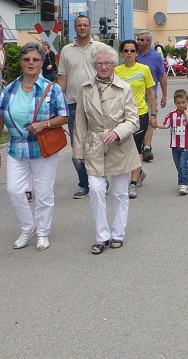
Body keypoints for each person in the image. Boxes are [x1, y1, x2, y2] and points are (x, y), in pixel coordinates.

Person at [0, 43, 68, 252]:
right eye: (27, 59)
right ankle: (28, 227)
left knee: (43, 193)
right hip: (16, 148)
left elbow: (64, 117)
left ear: (42, 63)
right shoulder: (9, 89)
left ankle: (43, 232)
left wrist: (44, 124)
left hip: (43, 149)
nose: (31, 63)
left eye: (35, 59)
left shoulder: (52, 89)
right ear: (21, 62)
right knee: (14, 190)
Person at [73, 48, 141, 253]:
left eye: (107, 63)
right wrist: (78, 153)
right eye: (99, 63)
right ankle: (102, 235)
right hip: (94, 145)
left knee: (120, 193)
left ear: (113, 65)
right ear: (94, 66)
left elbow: (133, 120)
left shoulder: (124, 88)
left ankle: (118, 233)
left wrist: (118, 132)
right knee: (95, 189)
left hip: (120, 146)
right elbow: (79, 123)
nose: (103, 67)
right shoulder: (85, 89)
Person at [57, 15, 107, 199]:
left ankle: (100, 180)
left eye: (85, 24)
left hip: (96, 103)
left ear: (90, 27)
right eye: (79, 25)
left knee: (98, 143)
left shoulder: (99, 48)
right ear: (75, 28)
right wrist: (56, 98)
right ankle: (84, 184)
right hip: (73, 104)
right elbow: (62, 77)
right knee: (77, 146)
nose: (83, 27)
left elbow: (107, 73)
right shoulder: (66, 50)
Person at [115, 39, 156, 198]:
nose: (129, 53)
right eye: (126, 51)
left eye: (132, 51)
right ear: (121, 53)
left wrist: (153, 113)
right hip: (121, 115)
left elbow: (150, 92)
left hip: (140, 113)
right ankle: (139, 172)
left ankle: (132, 184)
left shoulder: (144, 69)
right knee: (123, 148)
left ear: (137, 53)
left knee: (136, 148)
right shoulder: (116, 71)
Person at [153, 88, 188, 195]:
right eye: (178, 103)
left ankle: (184, 184)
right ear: (175, 103)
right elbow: (166, 124)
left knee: (183, 164)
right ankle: (182, 177)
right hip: (175, 144)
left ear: (187, 102)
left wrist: (185, 113)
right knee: (178, 165)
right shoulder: (172, 114)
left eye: (183, 102)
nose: (181, 105)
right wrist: (156, 125)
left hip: (186, 145)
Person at [135, 30, 166, 163]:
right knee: (136, 122)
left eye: (142, 40)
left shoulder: (156, 57)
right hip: (134, 95)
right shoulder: (133, 54)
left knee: (149, 121)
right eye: (138, 39)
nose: (139, 42)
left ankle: (147, 148)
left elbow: (162, 76)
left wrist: (165, 95)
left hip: (150, 94)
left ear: (149, 42)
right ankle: (139, 144)